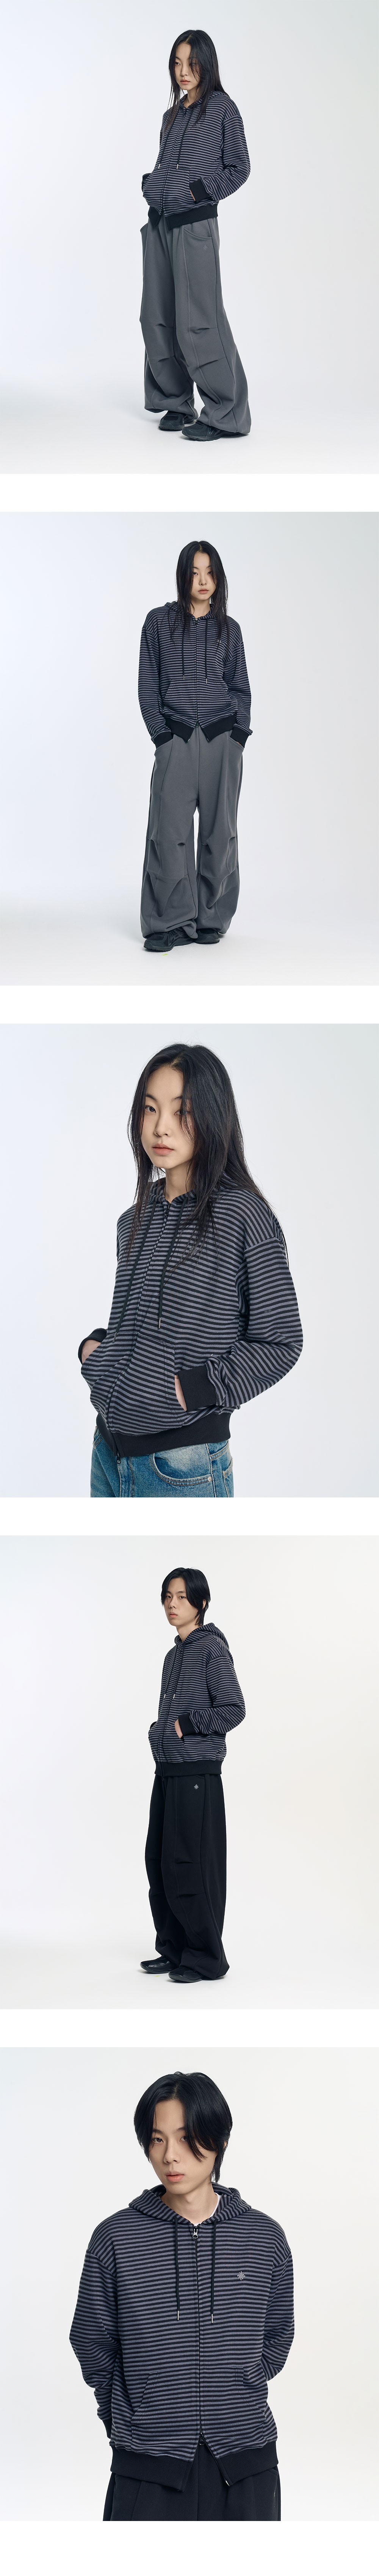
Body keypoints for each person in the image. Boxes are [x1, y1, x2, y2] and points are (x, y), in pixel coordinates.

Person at [78, 1043, 303, 1499]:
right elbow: (136, 1325)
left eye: (182, 1112)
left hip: (182, 1465)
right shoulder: (132, 1220)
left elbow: (281, 1341)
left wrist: (192, 1389)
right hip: (107, 1451)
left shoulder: (242, 1215)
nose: (161, 1126)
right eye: (150, 1109)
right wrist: (95, 1351)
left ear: (213, 1116)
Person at [70, 2069, 294, 2520]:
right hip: (146, 2465)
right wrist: (129, 2413)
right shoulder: (115, 2238)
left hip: (247, 2461)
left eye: (187, 2138)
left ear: (221, 2140)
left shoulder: (264, 2238)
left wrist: (239, 2387)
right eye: (157, 2140)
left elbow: (277, 2336)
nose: (170, 2155)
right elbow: (92, 2342)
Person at [139, 541, 251, 952]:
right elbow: (148, 685)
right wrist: (162, 736)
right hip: (177, 739)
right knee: (168, 833)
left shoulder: (229, 630)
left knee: (220, 834)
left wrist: (237, 737)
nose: (203, 581)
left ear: (218, 578)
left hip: (222, 741)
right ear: (183, 575)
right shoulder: (158, 623)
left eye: (210, 573)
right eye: (195, 572)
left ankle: (210, 918)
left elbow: (240, 688)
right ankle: (169, 922)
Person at [140, 31, 251, 441]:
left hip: (195, 226)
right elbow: (165, 165)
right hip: (160, 223)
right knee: (157, 317)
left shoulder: (223, 109)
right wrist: (152, 185)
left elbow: (239, 168)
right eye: (177, 63)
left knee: (199, 321)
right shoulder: (171, 116)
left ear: (207, 64)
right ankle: (176, 401)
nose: (183, 71)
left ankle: (226, 413)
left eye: (192, 63)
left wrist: (197, 193)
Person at [141, 1563, 245, 1982]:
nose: (173, 1604)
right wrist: (160, 1732)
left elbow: (234, 1709)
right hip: (167, 1770)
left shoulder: (211, 1650)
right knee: (160, 1863)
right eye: (168, 1597)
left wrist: (187, 1724)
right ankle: (174, 1949)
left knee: (190, 1865)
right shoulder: (173, 1656)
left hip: (197, 1774)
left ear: (201, 1602)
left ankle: (205, 1958)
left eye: (182, 1597)